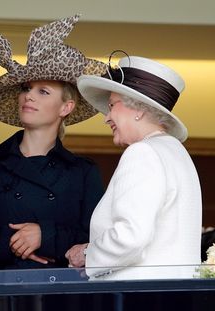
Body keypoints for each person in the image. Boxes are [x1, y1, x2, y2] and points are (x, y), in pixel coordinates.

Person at [0, 15, 106, 274]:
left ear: (66, 107)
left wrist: (44, 236)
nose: (28, 95)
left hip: (59, 293)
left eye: (43, 91)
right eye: (26, 88)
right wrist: (15, 242)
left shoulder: (82, 172)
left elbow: (97, 242)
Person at [66, 52, 202, 280]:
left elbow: (131, 236)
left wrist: (87, 253)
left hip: (138, 296)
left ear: (138, 109)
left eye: (111, 105)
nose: (106, 117)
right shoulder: (176, 152)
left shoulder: (143, 153)